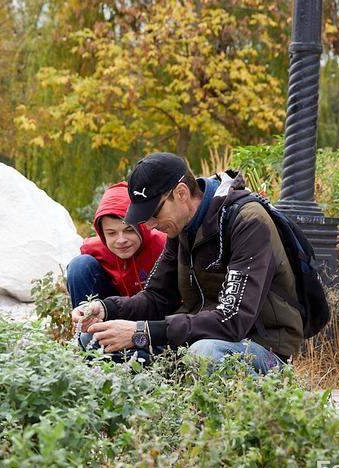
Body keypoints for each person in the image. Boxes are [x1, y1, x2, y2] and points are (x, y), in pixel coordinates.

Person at [72, 153, 304, 374]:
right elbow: (157, 297)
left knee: (204, 354)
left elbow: (232, 320)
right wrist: (106, 308)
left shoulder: (248, 221)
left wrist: (141, 333)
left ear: (181, 193)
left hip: (260, 348)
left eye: (154, 213)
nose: (150, 225)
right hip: (194, 341)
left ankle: (266, 405)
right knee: (94, 340)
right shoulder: (181, 226)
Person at [66, 180, 166, 318]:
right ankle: (88, 331)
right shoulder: (93, 249)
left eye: (129, 230)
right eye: (111, 233)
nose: (121, 240)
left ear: (142, 226)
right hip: (112, 309)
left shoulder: (162, 244)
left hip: (156, 311)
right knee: (79, 265)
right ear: (102, 234)